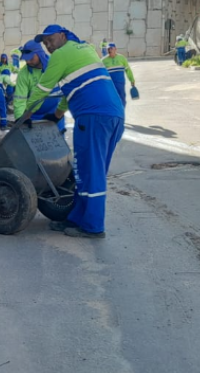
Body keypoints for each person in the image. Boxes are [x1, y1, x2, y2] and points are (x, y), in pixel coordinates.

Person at [34, 25, 125, 239]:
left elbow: (42, 89)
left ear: (62, 36)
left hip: (93, 117)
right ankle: (76, 218)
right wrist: (57, 115)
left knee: (90, 172)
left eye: (50, 40)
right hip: (113, 115)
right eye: (45, 44)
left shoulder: (61, 55)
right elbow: (71, 93)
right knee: (86, 170)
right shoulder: (84, 49)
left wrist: (26, 114)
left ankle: (93, 226)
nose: (48, 46)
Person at [14, 39, 65, 133]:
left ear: (39, 53)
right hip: (33, 116)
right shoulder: (24, 74)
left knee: (57, 139)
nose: (28, 62)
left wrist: (60, 113)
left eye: (31, 58)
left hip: (55, 114)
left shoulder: (55, 64)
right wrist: (20, 118)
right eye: (26, 59)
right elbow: (20, 99)